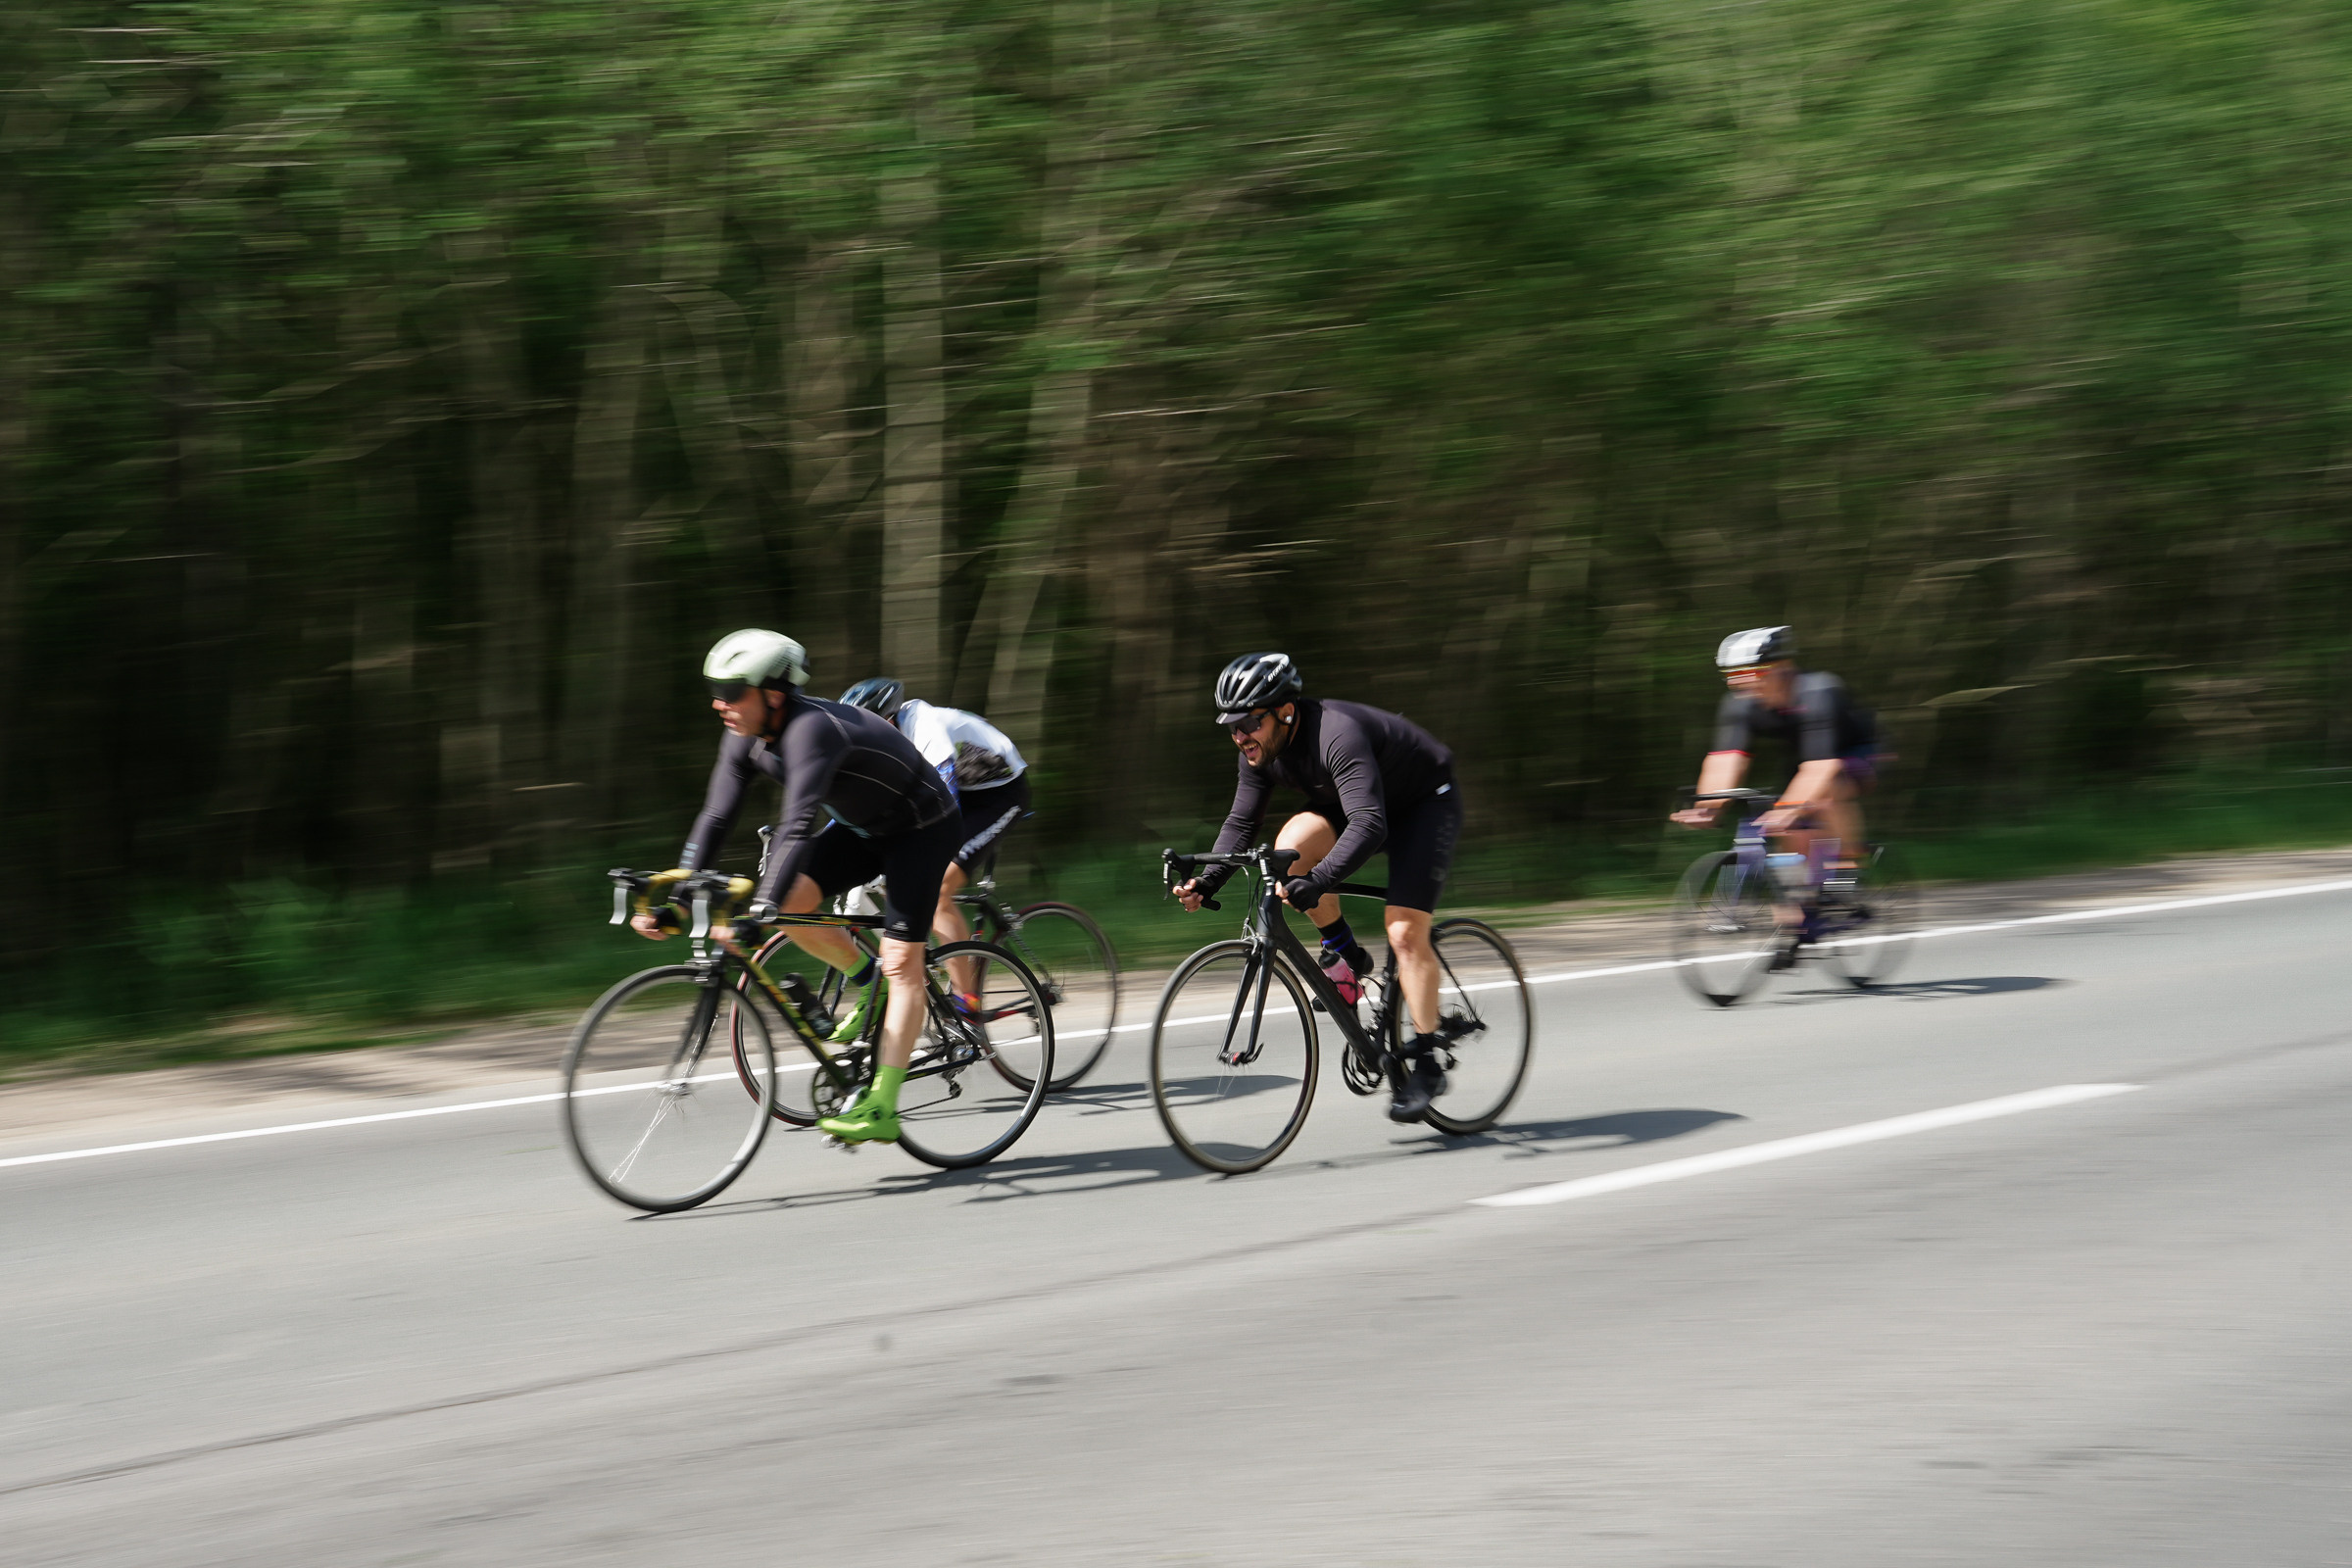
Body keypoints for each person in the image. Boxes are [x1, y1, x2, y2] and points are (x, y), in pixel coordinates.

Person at [629, 629, 962, 1145]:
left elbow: (796, 822)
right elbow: (716, 815)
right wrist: (678, 900)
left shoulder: (813, 731)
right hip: (862, 829)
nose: (720, 704)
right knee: (790, 906)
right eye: (714, 692)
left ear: (773, 695)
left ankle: (882, 1107)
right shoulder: (743, 734)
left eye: (732, 692)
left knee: (903, 963)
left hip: (921, 829)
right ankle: (865, 977)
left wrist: (758, 907)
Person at [1172, 652, 1462, 1122]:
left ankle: (1427, 1062)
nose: (1239, 735)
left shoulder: (1336, 733)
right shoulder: (1258, 752)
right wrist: (1205, 881)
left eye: (1248, 722)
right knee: (1288, 850)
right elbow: (1242, 823)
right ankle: (1346, 957)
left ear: (1285, 711)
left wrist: (1322, 881)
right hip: (1358, 803)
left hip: (1422, 805)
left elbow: (1370, 824)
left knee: (1405, 933)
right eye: (1230, 725)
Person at [1669, 625, 1881, 962]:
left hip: (1855, 751)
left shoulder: (1818, 691)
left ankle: (1847, 868)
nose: (1740, 682)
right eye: (1731, 675)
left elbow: (1822, 768)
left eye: (1750, 672)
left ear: (1782, 668)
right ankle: (1799, 915)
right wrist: (1710, 803)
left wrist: (1792, 808)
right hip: (1805, 758)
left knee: (1825, 794)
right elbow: (1726, 760)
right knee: (1783, 827)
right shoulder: (1740, 704)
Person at [839, 678, 1031, 1010]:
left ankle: (966, 999)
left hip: (999, 796)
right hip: (961, 793)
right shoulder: (883, 741)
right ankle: (926, 957)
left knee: (939, 886)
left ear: (888, 718)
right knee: (897, 878)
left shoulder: (923, 725)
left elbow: (947, 802)